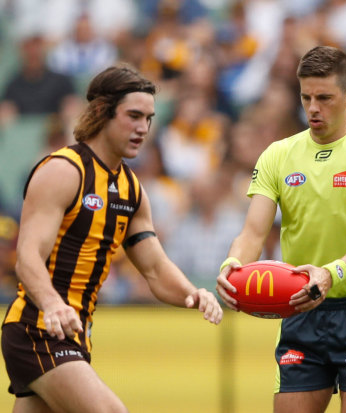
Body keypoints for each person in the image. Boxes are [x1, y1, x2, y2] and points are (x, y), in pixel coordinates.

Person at [1, 64, 223, 413]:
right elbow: (27, 257)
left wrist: (193, 294)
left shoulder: (131, 189)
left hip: (74, 334)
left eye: (149, 118)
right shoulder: (63, 170)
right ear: (103, 112)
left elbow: (154, 268)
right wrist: (54, 304)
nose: (143, 128)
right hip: (38, 328)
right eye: (134, 116)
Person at [216, 45, 346, 413]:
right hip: (301, 312)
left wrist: (330, 274)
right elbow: (253, 232)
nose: (313, 108)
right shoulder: (277, 155)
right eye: (306, 97)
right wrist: (232, 265)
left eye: (324, 97)